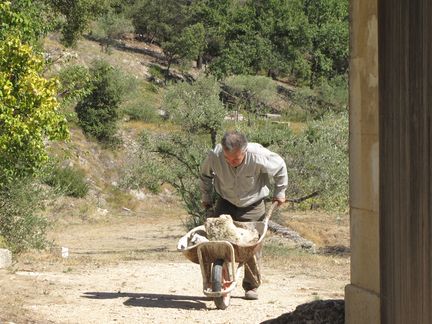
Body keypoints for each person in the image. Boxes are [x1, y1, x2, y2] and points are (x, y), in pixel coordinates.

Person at [200, 130, 288, 300]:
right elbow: (205, 175)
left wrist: (280, 191)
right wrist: (206, 197)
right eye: (227, 159)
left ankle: (251, 286)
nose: (231, 163)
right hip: (225, 201)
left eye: (236, 159)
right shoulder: (215, 155)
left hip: (252, 204)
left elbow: (280, 167)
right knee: (219, 242)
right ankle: (218, 280)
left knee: (251, 246)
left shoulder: (258, 155)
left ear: (244, 151)